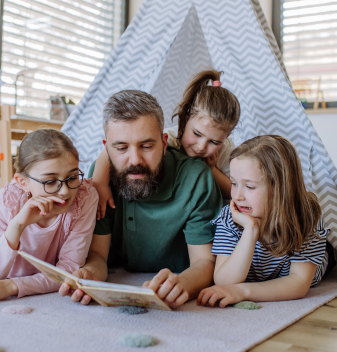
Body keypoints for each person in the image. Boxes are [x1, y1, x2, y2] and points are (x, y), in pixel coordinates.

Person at [59, 90, 223, 309]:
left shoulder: (196, 178)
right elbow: (98, 253)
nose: (135, 160)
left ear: (164, 143)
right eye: (121, 148)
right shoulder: (99, 181)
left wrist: (183, 282)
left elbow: (204, 262)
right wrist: (90, 274)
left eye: (147, 146)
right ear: (106, 148)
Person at [0, 129, 98, 303]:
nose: (65, 191)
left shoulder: (84, 197)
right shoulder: (9, 201)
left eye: (72, 177)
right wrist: (17, 224)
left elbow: (68, 271)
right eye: (50, 182)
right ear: (22, 182)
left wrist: (12, 286)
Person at [197, 135, 330, 307]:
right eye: (234, 183)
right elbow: (223, 281)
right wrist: (251, 230)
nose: (237, 196)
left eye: (250, 187)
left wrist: (243, 291)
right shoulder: (230, 216)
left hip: (312, 265)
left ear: (280, 188)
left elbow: (298, 282)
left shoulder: (306, 215)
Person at [92, 69, 240, 219]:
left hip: (208, 215)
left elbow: (235, 192)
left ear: (226, 137)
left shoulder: (226, 149)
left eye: (214, 142)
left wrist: (212, 169)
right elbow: (110, 150)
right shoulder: (168, 138)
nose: (201, 146)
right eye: (196, 134)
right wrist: (100, 183)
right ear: (186, 118)